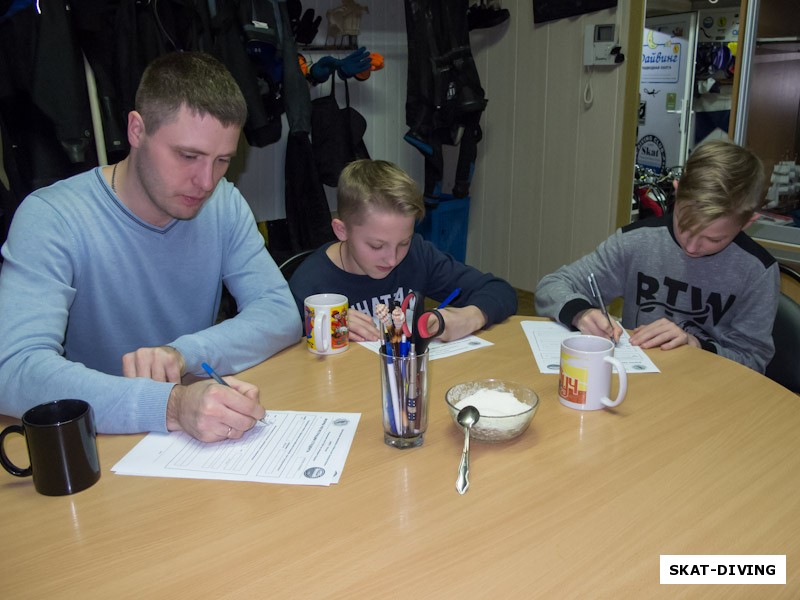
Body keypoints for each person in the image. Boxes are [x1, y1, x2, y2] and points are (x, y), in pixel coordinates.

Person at [0, 52, 302, 441]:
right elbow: (13, 369)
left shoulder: (223, 204)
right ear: (137, 130)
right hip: (97, 445)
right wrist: (170, 405)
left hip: (189, 442)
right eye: (188, 156)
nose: (206, 181)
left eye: (223, 160)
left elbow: (280, 314)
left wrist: (182, 353)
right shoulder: (52, 218)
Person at [535, 139, 779, 373]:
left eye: (714, 239)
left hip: (708, 390)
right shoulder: (637, 242)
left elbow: (753, 360)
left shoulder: (757, 271)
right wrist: (582, 313)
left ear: (748, 223)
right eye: (684, 225)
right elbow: (553, 285)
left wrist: (696, 345)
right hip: (638, 383)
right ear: (676, 191)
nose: (692, 247)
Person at [289, 159, 517, 342]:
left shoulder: (418, 256)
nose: (392, 258)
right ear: (341, 230)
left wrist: (472, 316)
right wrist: (321, 324)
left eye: (403, 242)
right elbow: (279, 334)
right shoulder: (311, 280)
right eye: (377, 246)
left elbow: (500, 290)